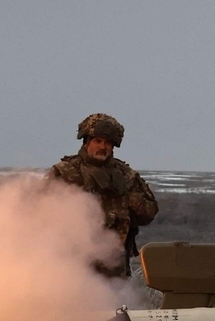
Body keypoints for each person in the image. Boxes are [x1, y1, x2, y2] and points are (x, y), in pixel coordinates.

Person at [47, 113, 160, 278]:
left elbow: (149, 213)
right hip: (72, 265)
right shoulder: (65, 172)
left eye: (108, 143)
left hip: (115, 267)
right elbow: (40, 214)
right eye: (97, 141)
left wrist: (130, 198)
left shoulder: (126, 176)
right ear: (87, 141)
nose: (103, 146)